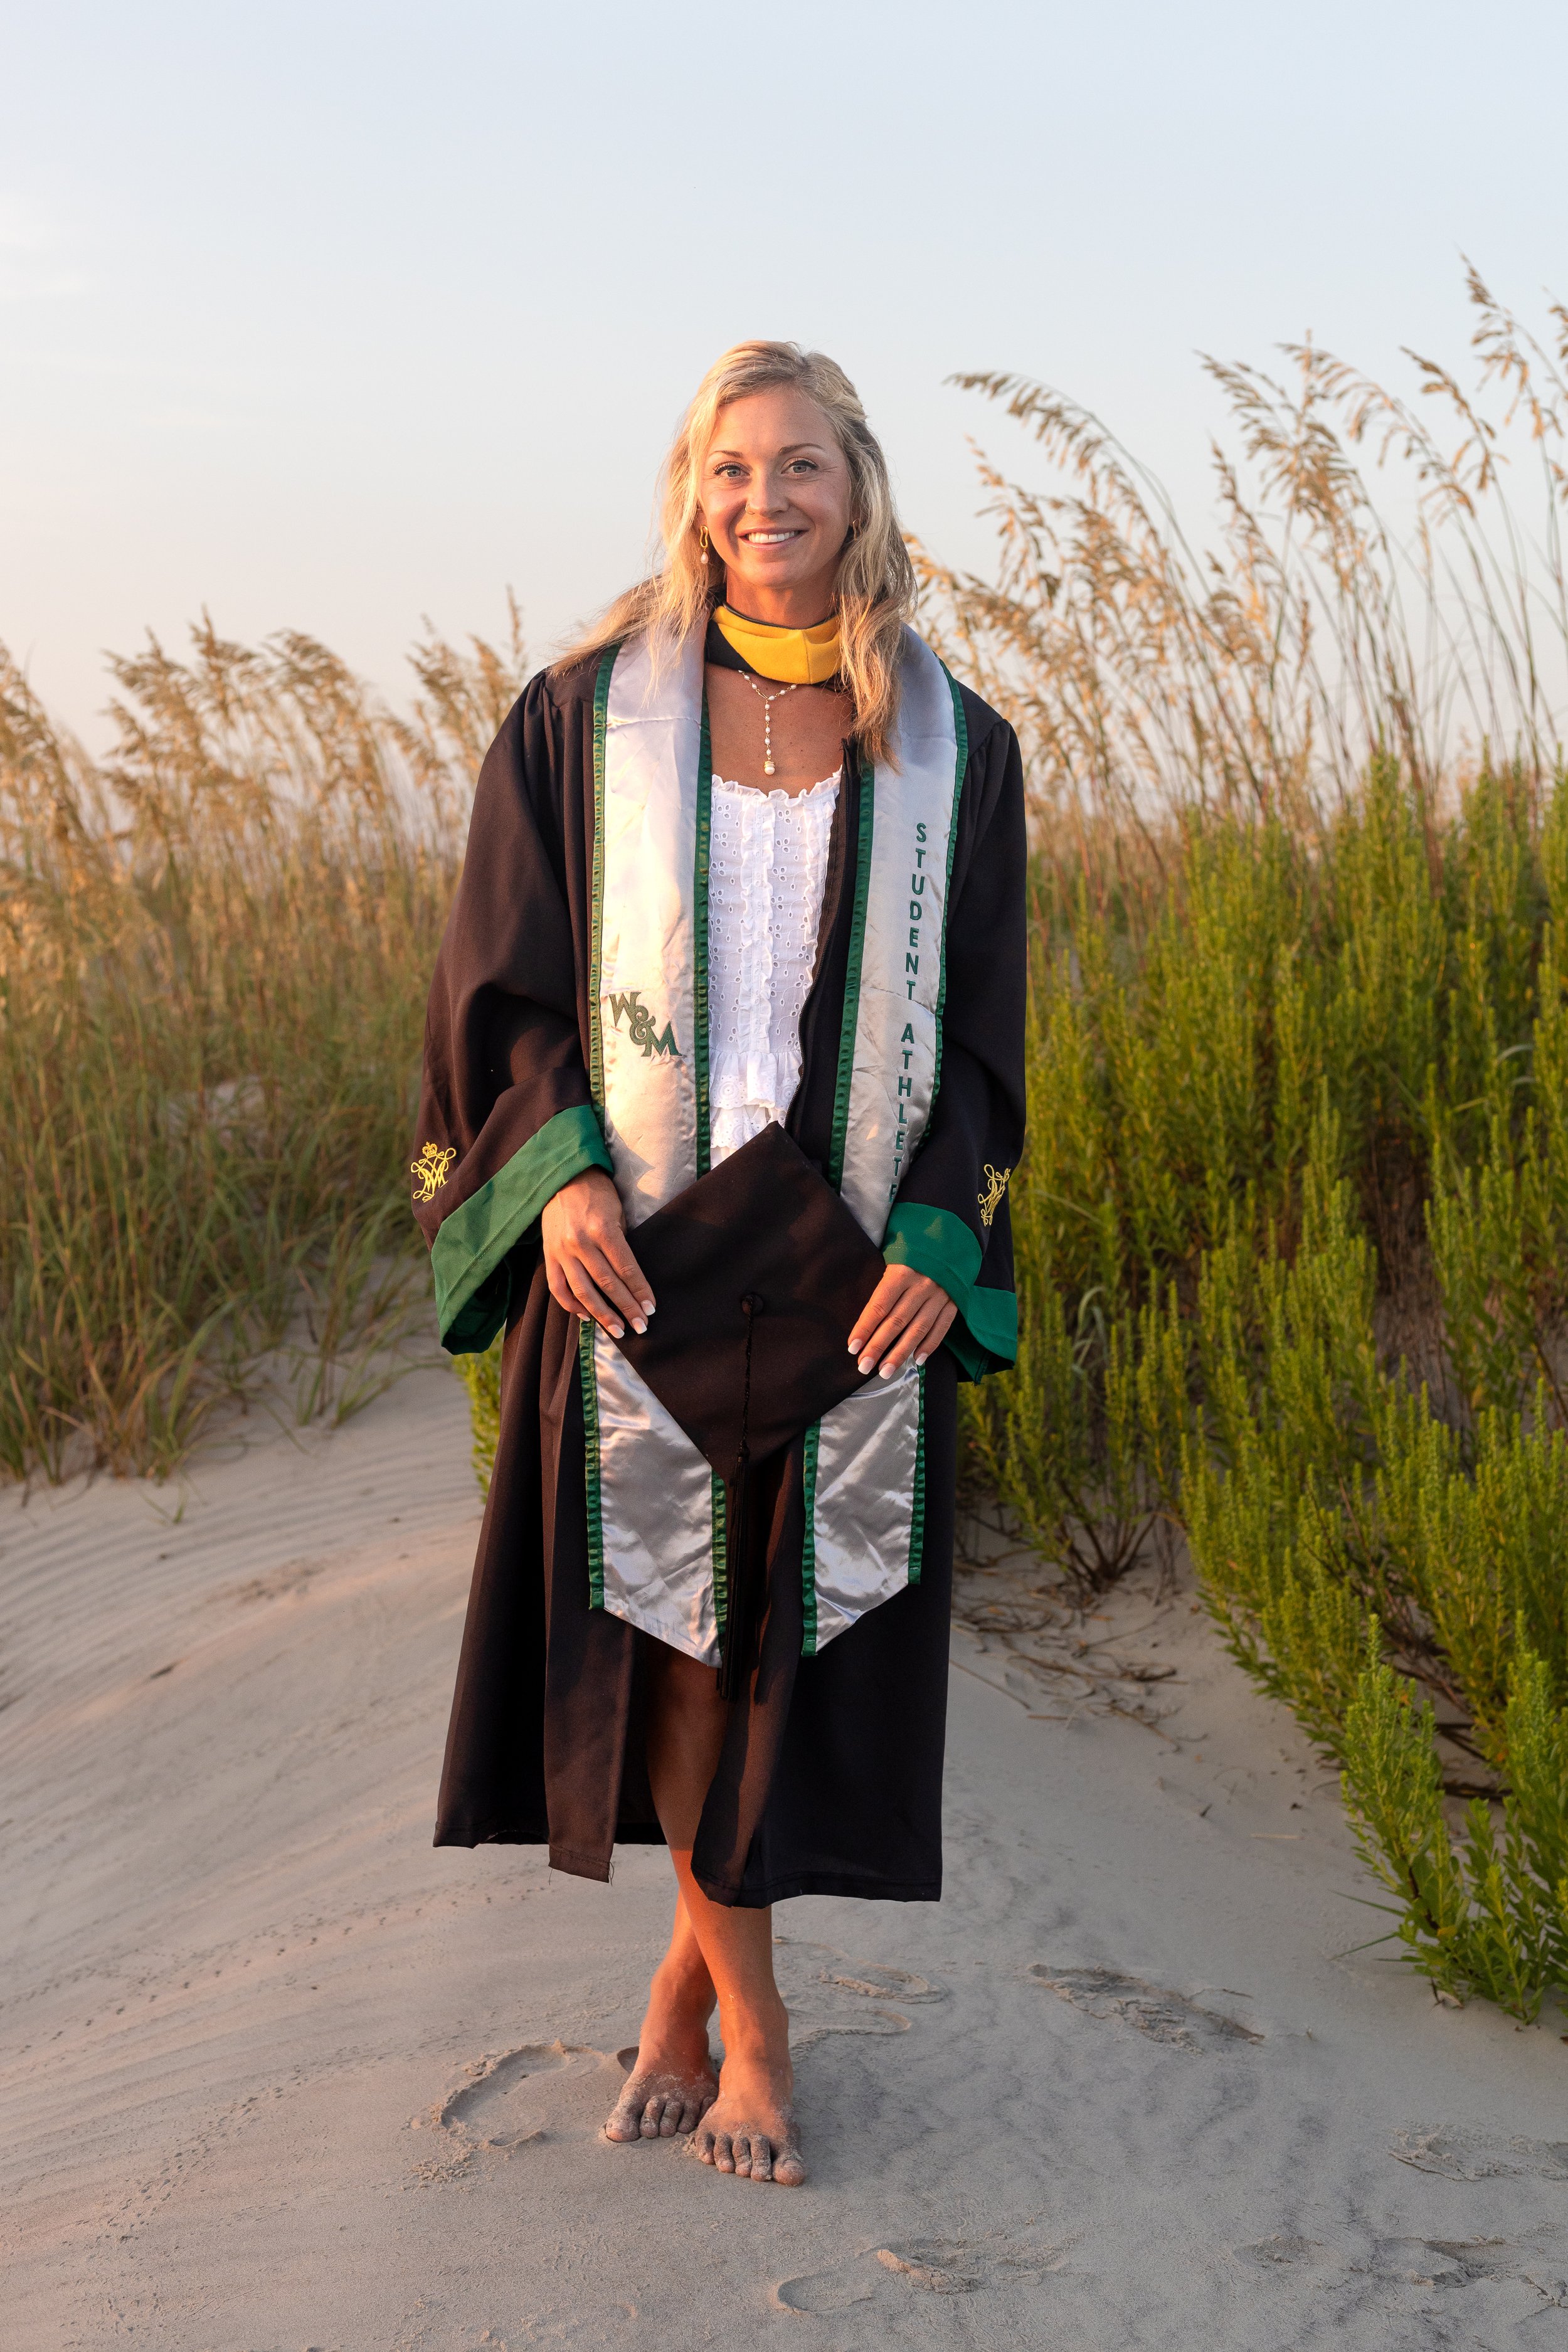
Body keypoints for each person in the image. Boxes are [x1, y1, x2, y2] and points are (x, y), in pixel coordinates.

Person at [411, 341, 1025, 2187]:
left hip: (841, 1247)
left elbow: (987, 1023)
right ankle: (761, 2034)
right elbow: (496, 982)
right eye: (733, 469)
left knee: (791, 1648)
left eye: (804, 467)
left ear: (861, 487)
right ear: (694, 491)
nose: (767, 501)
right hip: (650, 1242)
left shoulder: (953, 744)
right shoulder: (580, 715)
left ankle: (678, 2004)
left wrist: (940, 1223)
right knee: (679, 1641)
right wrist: (561, 1180)